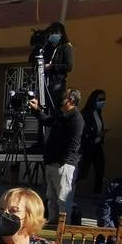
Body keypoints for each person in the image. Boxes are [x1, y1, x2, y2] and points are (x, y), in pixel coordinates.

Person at [30, 88, 83, 225]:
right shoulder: (62, 115)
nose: (61, 99)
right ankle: (53, 222)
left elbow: (74, 144)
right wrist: (36, 110)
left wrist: (61, 161)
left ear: (70, 100)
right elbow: (47, 121)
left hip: (64, 165)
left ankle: (64, 227)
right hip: (51, 162)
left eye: (64, 96)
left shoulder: (76, 119)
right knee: (51, 197)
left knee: (63, 199)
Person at [32, 21, 74, 112]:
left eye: (55, 33)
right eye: (51, 33)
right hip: (44, 81)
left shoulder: (66, 47)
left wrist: (52, 66)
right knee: (42, 108)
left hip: (57, 84)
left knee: (55, 109)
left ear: (61, 34)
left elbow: (69, 66)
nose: (52, 35)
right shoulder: (48, 47)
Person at [78, 89, 107, 196]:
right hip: (88, 146)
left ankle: (97, 191)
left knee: (100, 166)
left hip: (97, 145)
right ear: (93, 99)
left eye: (104, 99)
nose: (102, 101)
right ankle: (70, 185)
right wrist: (95, 135)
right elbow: (83, 132)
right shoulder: (86, 114)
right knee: (83, 171)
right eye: (100, 99)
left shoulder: (98, 113)